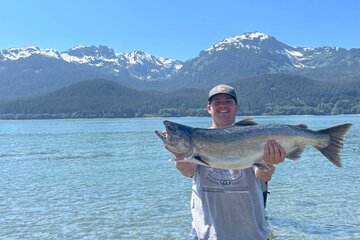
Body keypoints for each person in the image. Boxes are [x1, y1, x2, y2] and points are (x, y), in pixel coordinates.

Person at [175, 84, 286, 240]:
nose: (222, 105)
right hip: (207, 234)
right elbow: (187, 171)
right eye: (217, 102)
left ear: (237, 107)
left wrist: (270, 162)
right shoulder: (198, 139)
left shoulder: (253, 136)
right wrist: (179, 154)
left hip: (251, 233)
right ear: (209, 108)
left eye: (228, 101)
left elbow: (263, 176)